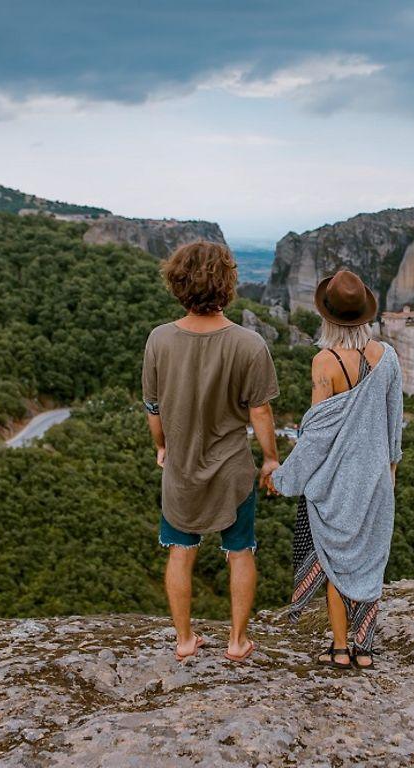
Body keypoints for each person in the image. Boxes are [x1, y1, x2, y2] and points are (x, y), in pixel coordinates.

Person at [142, 241, 280, 663]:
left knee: (180, 552)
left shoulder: (159, 340)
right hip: (232, 470)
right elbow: (259, 410)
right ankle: (237, 642)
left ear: (177, 282)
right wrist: (272, 457)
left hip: (181, 468)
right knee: (240, 552)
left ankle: (185, 640)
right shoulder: (249, 343)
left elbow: (153, 408)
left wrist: (162, 446)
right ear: (227, 283)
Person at [269, 269, 403, 670]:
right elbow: (394, 425)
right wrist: (390, 475)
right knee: (369, 559)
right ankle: (365, 649)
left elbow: (315, 437)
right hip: (377, 478)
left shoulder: (324, 363)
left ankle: (341, 648)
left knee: (333, 561)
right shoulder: (388, 358)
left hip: (336, 482)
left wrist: (283, 479)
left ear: (328, 317)